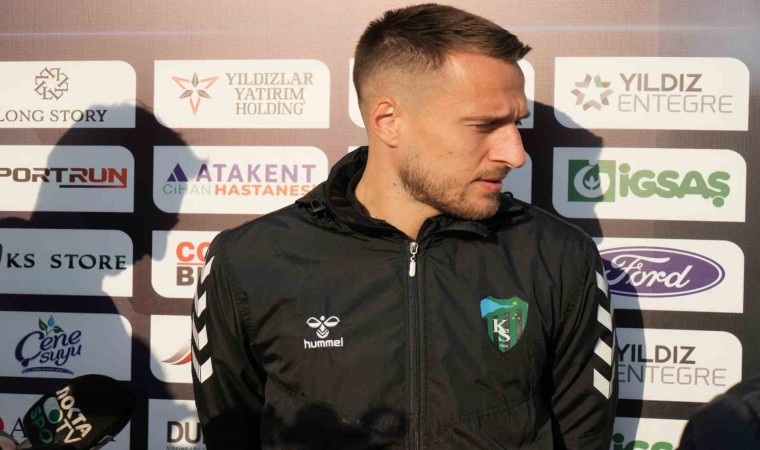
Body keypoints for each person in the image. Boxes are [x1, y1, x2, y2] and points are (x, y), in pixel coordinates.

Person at [191, 4, 618, 449]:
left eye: (516, 124)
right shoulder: (248, 261)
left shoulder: (557, 254)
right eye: (484, 125)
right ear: (389, 122)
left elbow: (584, 437)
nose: (515, 154)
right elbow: (229, 433)